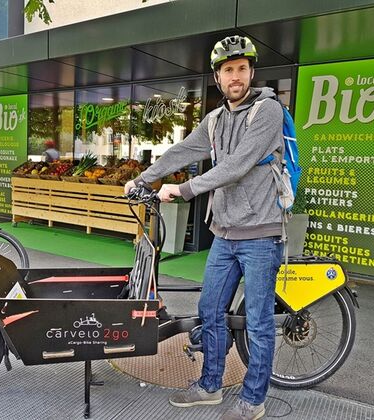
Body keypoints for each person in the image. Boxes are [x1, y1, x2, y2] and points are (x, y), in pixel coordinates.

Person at [124, 35, 284, 420]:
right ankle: (210, 385)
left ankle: (253, 398)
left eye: (242, 69)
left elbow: (238, 165)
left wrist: (184, 189)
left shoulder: (267, 112)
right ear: (218, 77)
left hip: (261, 232)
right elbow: (182, 151)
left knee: (259, 322)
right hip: (225, 234)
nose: (236, 76)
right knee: (210, 309)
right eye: (229, 70)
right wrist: (144, 179)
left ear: (251, 72)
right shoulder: (213, 121)